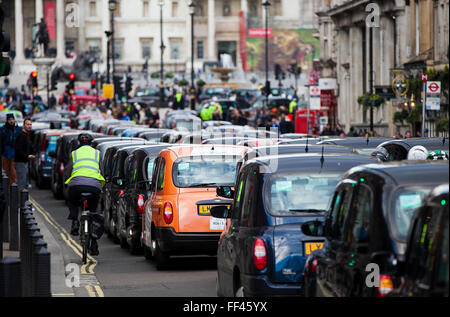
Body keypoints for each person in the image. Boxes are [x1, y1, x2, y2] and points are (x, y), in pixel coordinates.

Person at [64, 134, 105, 256]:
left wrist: (66, 183)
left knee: (72, 201)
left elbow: (67, 170)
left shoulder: (74, 153)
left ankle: (75, 221)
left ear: (79, 142)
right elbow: (102, 171)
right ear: (91, 143)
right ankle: (94, 245)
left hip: (76, 185)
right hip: (93, 186)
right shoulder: (97, 153)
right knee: (92, 212)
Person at [14, 118, 36, 191]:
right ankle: (20, 201)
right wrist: (27, 156)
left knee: (25, 183)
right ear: (24, 125)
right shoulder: (21, 136)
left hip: (24, 162)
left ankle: (23, 201)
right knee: (21, 184)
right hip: (20, 162)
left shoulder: (26, 135)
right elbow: (18, 150)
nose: (29, 126)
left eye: (30, 124)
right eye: (27, 124)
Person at [0, 114, 22, 185]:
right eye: (9, 120)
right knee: (5, 173)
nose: (11, 121)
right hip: (5, 154)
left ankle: (13, 191)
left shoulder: (18, 129)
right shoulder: (2, 129)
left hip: (14, 154)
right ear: (7, 120)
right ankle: (6, 191)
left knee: (13, 173)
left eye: (12, 119)